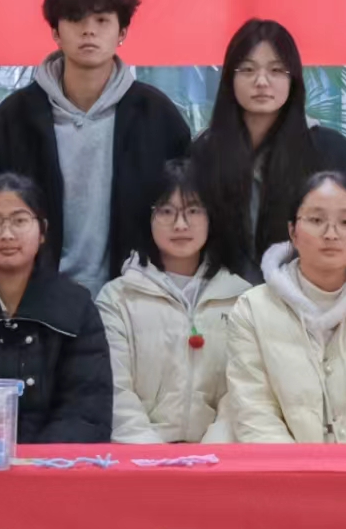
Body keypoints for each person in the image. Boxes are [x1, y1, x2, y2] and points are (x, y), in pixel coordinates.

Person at [0, 0, 191, 293]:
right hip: (35, 297)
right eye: (75, 19)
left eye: (102, 20)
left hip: (137, 296)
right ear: (56, 32)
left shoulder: (158, 117)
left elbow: (186, 214)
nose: (88, 31)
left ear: (122, 32)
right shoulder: (12, 120)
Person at [216, 171, 346, 445]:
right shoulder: (252, 308)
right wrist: (300, 469)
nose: (331, 234)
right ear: (292, 231)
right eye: (316, 220)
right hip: (280, 467)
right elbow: (253, 411)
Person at [0, 173, 115, 443]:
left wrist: (34, 461)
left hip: (54, 464)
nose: (7, 234)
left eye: (20, 221)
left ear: (42, 231)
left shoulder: (76, 308)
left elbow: (87, 411)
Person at [184, 19, 346, 281]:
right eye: (247, 69)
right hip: (219, 296)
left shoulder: (330, 150)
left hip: (306, 295)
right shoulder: (205, 151)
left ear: (293, 79)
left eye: (276, 70)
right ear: (229, 78)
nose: (261, 81)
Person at [96, 159, 254, 443]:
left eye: (193, 210)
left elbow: (242, 392)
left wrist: (211, 454)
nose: (180, 224)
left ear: (211, 216)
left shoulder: (242, 298)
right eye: (166, 211)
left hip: (217, 455)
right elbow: (116, 392)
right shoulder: (117, 298)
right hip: (139, 454)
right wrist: (154, 457)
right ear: (147, 217)